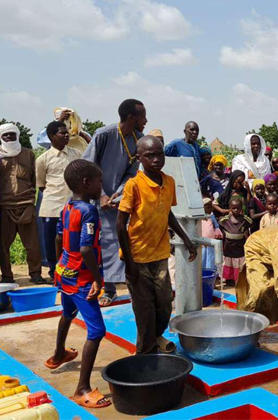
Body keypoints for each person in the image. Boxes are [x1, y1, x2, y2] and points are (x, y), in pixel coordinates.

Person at [117, 136, 197, 355]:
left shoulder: (169, 181)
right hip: (138, 258)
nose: (156, 159)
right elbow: (120, 223)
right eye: (149, 155)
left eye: (159, 154)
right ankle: (144, 354)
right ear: (139, 158)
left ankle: (154, 338)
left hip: (160, 254)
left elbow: (167, 213)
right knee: (144, 310)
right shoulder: (134, 185)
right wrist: (129, 262)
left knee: (163, 304)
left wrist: (187, 240)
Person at [45, 159, 109, 409]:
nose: (100, 185)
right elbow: (85, 248)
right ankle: (82, 388)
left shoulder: (67, 208)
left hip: (64, 271)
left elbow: (59, 239)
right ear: (87, 183)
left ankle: (59, 353)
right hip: (82, 278)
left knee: (67, 313)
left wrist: (57, 267)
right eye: (99, 181)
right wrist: (97, 278)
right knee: (97, 331)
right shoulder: (88, 211)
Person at [82, 99, 146, 306]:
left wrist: (117, 194)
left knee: (116, 242)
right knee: (93, 245)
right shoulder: (104, 134)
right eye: (142, 116)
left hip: (117, 200)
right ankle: (100, 287)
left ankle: (113, 289)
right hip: (93, 198)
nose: (146, 120)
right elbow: (86, 166)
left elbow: (131, 172)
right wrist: (100, 194)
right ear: (130, 118)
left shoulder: (139, 139)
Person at [0, 123, 44, 284]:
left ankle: (35, 274)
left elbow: (35, 179)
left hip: (26, 204)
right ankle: (6, 276)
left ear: (18, 135)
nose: (9, 137)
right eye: (5, 135)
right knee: (4, 245)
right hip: (4, 205)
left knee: (32, 244)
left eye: (12, 134)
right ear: (0, 137)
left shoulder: (28, 154)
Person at [37, 121, 82, 281]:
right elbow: (41, 185)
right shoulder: (43, 159)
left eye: (67, 133)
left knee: (73, 241)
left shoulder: (76, 154)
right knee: (51, 243)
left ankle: (73, 271)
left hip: (74, 207)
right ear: (51, 136)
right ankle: (54, 272)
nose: (66, 135)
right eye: (62, 133)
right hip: (51, 207)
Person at [219, 197, 253, 286]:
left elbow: (249, 230)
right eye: (233, 208)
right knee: (228, 263)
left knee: (238, 263)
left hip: (239, 247)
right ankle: (228, 279)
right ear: (229, 208)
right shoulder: (224, 220)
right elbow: (220, 230)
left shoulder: (246, 220)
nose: (236, 210)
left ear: (242, 208)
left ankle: (237, 279)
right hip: (228, 247)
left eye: (238, 208)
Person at [201, 197, 222, 275]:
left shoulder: (211, 216)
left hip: (210, 244)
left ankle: (211, 275)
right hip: (201, 245)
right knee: (202, 260)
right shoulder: (198, 218)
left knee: (210, 260)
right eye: (208, 207)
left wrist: (217, 232)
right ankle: (201, 277)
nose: (211, 210)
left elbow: (216, 226)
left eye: (211, 207)